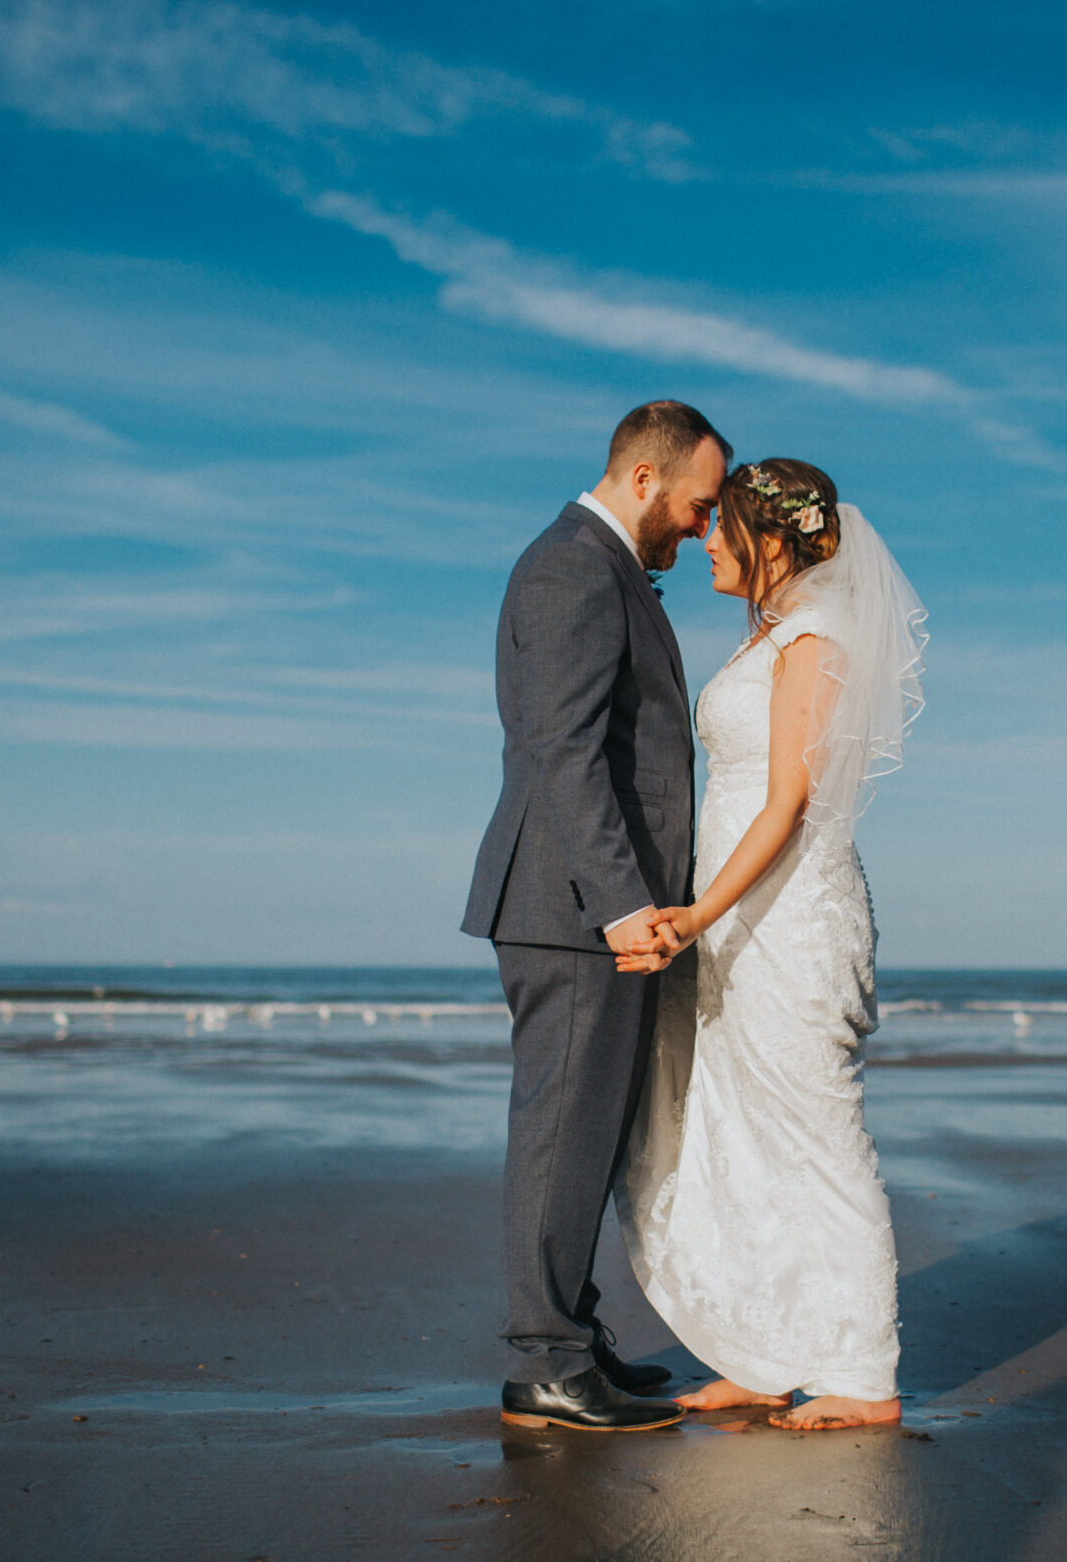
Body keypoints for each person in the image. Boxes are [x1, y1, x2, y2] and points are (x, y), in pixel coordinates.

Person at [613, 458, 928, 1430]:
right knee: (738, 1135)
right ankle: (761, 1353)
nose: (707, 537)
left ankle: (862, 1375)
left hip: (786, 921)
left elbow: (788, 802)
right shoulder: (774, 639)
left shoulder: (819, 639)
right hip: (737, 918)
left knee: (815, 1136)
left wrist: (699, 916)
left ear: (774, 538)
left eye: (724, 526)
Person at [462, 400, 731, 1433]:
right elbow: (565, 753)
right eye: (700, 506)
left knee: (585, 1136)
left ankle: (570, 1340)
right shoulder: (576, 563)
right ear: (646, 478)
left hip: (585, 905)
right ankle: (545, 1364)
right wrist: (622, 905)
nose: (705, 529)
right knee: (559, 1134)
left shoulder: (599, 563)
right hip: (573, 908)